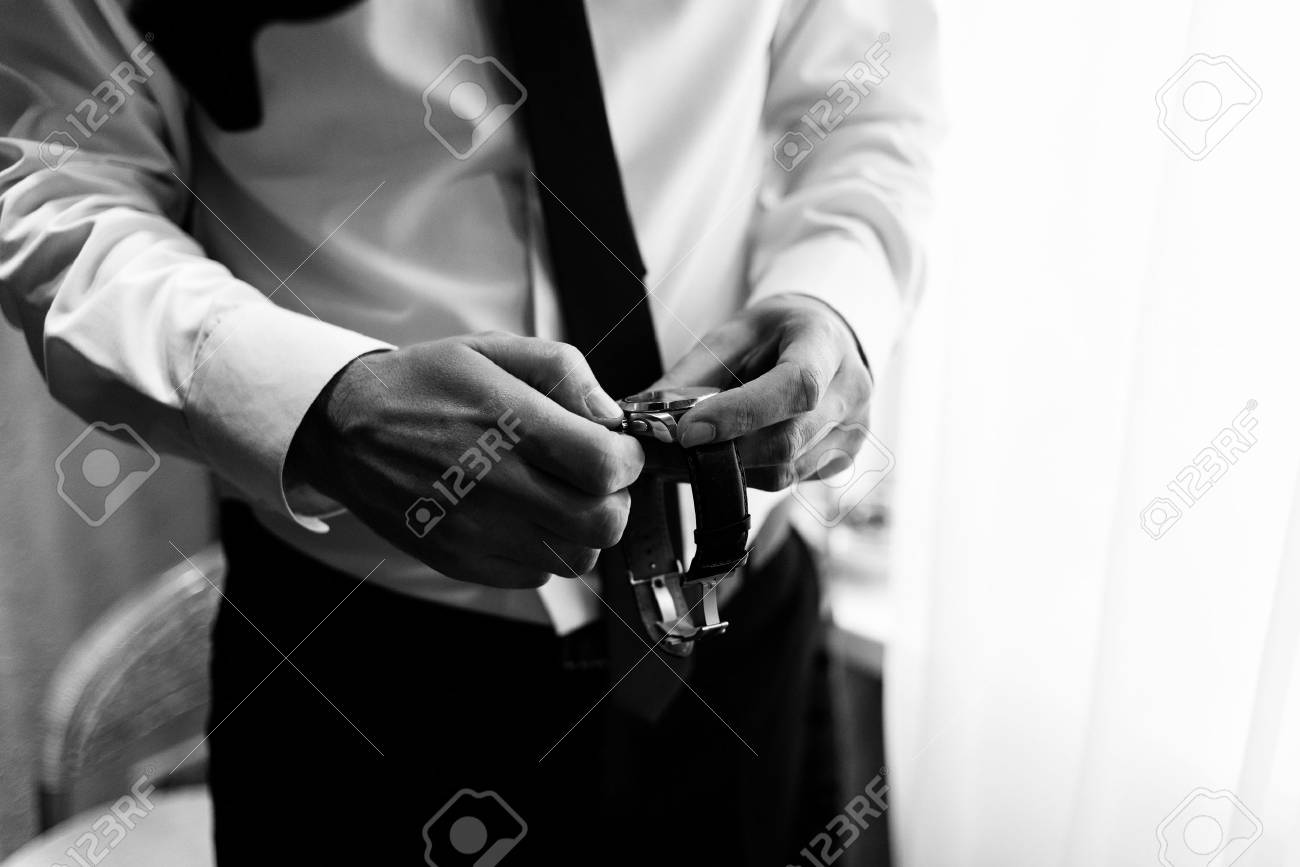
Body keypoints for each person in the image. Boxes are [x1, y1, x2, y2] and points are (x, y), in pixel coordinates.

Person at [0, 0, 938, 862]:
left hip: (739, 635)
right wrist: (322, 404)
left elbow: (867, 94)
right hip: (358, 681)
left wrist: (839, 293)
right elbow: (60, 189)